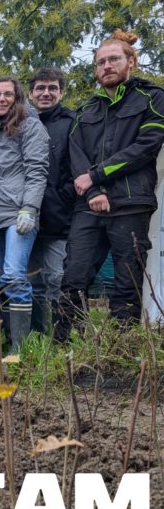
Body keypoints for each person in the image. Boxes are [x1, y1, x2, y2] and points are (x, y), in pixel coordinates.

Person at [56, 30, 164, 339]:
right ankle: (66, 346)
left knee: (127, 282)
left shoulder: (153, 98)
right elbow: (76, 157)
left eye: (113, 59)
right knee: (73, 278)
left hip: (131, 203)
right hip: (89, 206)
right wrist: (93, 190)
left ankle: (122, 347)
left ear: (131, 61)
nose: (106, 66)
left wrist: (97, 176)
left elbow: (146, 147)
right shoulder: (86, 110)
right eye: (101, 62)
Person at [0, 76, 49, 351]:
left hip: (17, 214)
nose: (1, 99)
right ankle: (8, 343)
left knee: (15, 276)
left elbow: (37, 170)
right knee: (0, 281)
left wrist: (29, 208)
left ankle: (21, 348)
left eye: (8, 94)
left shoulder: (30, 126)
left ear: (18, 98)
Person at [26, 69, 75, 334]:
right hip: (26, 216)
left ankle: (59, 337)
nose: (46, 93)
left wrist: (63, 196)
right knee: (32, 281)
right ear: (30, 93)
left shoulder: (72, 122)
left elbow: (79, 164)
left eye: (52, 88)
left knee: (57, 278)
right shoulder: (20, 122)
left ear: (61, 92)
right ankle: (36, 335)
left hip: (59, 216)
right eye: (40, 88)